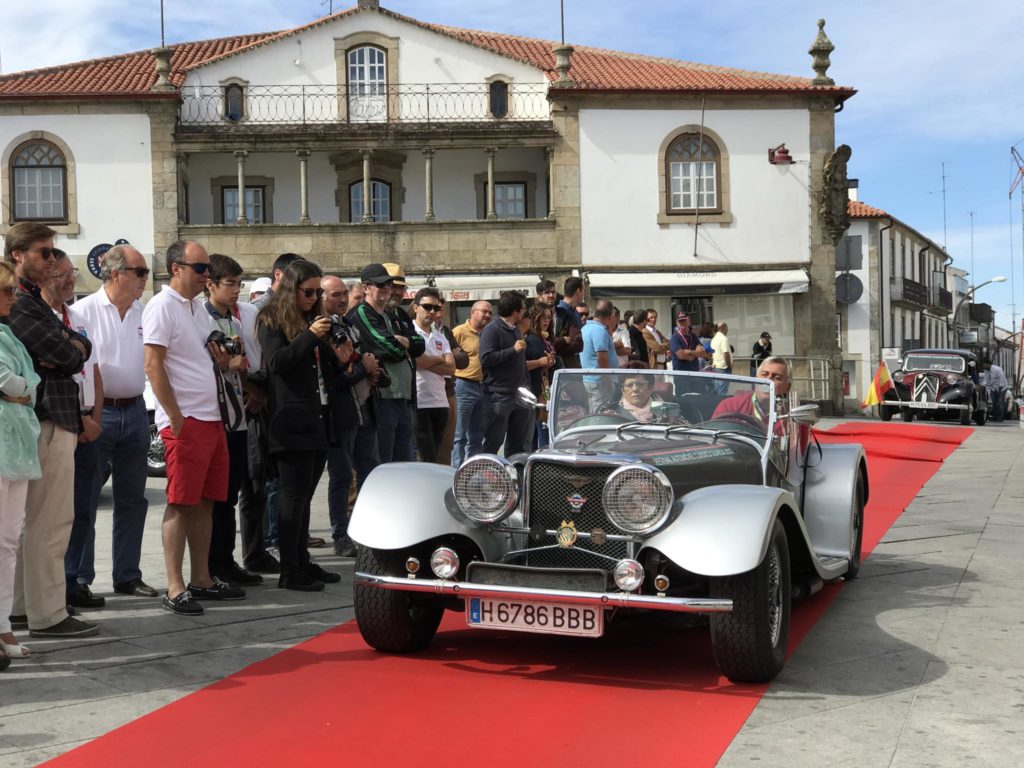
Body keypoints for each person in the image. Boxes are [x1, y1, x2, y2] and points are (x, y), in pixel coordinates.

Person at [5, 222, 99, 639]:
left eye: (54, 252)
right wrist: (70, 349)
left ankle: (25, 608)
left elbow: (75, 346)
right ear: (18, 255)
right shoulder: (23, 304)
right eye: (44, 252)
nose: (52, 260)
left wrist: (71, 348)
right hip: (47, 418)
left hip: (49, 417)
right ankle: (48, 613)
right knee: (50, 521)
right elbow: (64, 351)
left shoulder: (32, 302)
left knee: (33, 522)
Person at [143, 240, 244, 616]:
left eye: (207, 270)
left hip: (211, 417)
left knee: (206, 502)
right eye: (200, 268)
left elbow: (202, 359)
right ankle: (174, 586)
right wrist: (175, 416)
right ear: (176, 269)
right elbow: (152, 365)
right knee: (181, 504)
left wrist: (227, 363)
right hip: (186, 420)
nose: (207, 276)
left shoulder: (197, 310)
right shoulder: (161, 306)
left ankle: (201, 577)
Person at [65, 245, 158, 603]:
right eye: (139, 272)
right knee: (85, 500)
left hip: (135, 410)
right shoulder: (83, 311)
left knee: (133, 499)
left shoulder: (143, 311)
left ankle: (127, 575)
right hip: (97, 414)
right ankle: (80, 578)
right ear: (116, 273)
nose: (145, 278)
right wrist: (87, 416)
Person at [257, 259, 347, 591]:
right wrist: (310, 336)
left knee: (306, 497)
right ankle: (289, 569)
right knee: (292, 497)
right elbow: (278, 363)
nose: (312, 298)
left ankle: (303, 561)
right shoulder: (270, 318)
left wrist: (344, 356)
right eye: (307, 292)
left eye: (316, 293)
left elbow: (326, 373)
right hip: (290, 420)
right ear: (292, 288)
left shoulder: (314, 320)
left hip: (318, 417)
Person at [40, 253, 105, 612]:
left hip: (88, 423)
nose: (68, 281)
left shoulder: (77, 318)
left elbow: (93, 369)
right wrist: (81, 421)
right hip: (61, 421)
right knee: (55, 513)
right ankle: (54, 589)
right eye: (61, 275)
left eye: (72, 274)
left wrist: (95, 415)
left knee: (84, 510)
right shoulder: (39, 319)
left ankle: (74, 580)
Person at [195, 254, 264, 587]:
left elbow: (239, 365)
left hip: (237, 415)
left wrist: (250, 384)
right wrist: (227, 366)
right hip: (212, 416)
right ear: (211, 284)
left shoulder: (234, 322)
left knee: (231, 492)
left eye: (239, 283)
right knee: (216, 496)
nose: (236, 290)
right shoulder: (200, 319)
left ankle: (226, 558)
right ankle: (210, 564)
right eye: (230, 284)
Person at [0, 260, 42, 663]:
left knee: (9, 539)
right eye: (8, 291)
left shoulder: (8, 334)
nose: (14, 297)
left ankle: (4, 626)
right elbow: (8, 381)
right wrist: (18, 388)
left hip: (17, 447)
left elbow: (29, 382)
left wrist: (19, 389)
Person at [322, 275, 378, 557]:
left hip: (362, 406)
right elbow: (334, 378)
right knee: (342, 476)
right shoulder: (324, 329)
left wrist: (370, 370)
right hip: (340, 412)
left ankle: (363, 529)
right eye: (335, 295)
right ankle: (340, 535)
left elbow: (355, 361)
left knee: (369, 471)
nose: (342, 299)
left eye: (345, 294)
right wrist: (362, 369)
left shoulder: (347, 324)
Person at [350, 263, 424, 463]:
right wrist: (405, 345)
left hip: (402, 395)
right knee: (384, 461)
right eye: (380, 284)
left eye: (389, 285)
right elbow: (388, 349)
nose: (387, 289)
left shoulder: (393, 314)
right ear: (365, 288)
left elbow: (420, 344)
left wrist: (406, 342)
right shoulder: (363, 312)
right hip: (382, 397)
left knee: (404, 460)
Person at [480, 290, 532, 455]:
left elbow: (521, 363)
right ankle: (487, 477)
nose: (525, 312)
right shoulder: (492, 330)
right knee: (493, 442)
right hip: (499, 396)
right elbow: (486, 358)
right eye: (523, 308)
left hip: (519, 395)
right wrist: (513, 350)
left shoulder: (516, 329)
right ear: (515, 310)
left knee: (518, 445)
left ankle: (514, 476)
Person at [411, 287, 455, 463]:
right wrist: (439, 360)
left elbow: (451, 369)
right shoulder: (410, 333)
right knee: (425, 455)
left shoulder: (440, 337)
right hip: (419, 401)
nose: (432, 311)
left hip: (440, 401)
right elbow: (415, 362)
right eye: (427, 307)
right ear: (416, 307)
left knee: (436, 453)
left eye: (436, 308)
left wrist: (427, 361)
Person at [451, 300, 493, 466]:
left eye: (490, 312)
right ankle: (454, 472)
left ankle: (471, 474)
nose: (488, 315)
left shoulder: (488, 334)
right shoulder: (459, 332)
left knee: (477, 435)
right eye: (484, 311)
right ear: (473, 312)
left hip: (484, 387)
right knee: (459, 435)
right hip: (463, 386)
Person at [434, 294, 468, 466]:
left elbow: (462, 361)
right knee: (429, 447)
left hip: (448, 390)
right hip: (426, 393)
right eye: (433, 305)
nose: (438, 308)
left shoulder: (445, 330)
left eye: (441, 304)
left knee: (447, 444)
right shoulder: (416, 328)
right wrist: (446, 358)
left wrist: (451, 357)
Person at [711, 356, 791, 424]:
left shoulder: (793, 417)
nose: (768, 381)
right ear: (755, 380)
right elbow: (714, 440)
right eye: (764, 374)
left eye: (777, 378)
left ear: (787, 387)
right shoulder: (729, 407)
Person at [523, 302, 556, 449]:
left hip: (544, 390)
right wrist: (540, 362)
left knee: (544, 430)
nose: (547, 321)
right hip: (529, 390)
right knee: (532, 435)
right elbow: (519, 366)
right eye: (543, 317)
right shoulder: (527, 339)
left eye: (549, 317)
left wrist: (549, 364)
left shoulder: (546, 339)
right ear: (535, 318)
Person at [581, 299, 616, 409]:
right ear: (609, 316)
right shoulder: (599, 330)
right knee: (600, 415)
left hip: (591, 379)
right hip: (599, 382)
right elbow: (602, 358)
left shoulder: (586, 328)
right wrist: (608, 381)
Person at [553, 276, 585, 369]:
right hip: (562, 364)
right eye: (583, 290)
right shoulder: (559, 313)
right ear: (578, 292)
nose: (584, 294)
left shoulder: (574, 311)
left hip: (573, 361)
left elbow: (577, 341)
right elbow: (556, 340)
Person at [710, 322, 733, 393]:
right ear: (723, 328)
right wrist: (729, 366)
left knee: (717, 390)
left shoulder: (714, 339)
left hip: (716, 367)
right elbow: (726, 353)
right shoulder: (723, 338)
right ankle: (721, 404)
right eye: (727, 328)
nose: (727, 330)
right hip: (724, 368)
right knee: (722, 391)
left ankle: (717, 403)